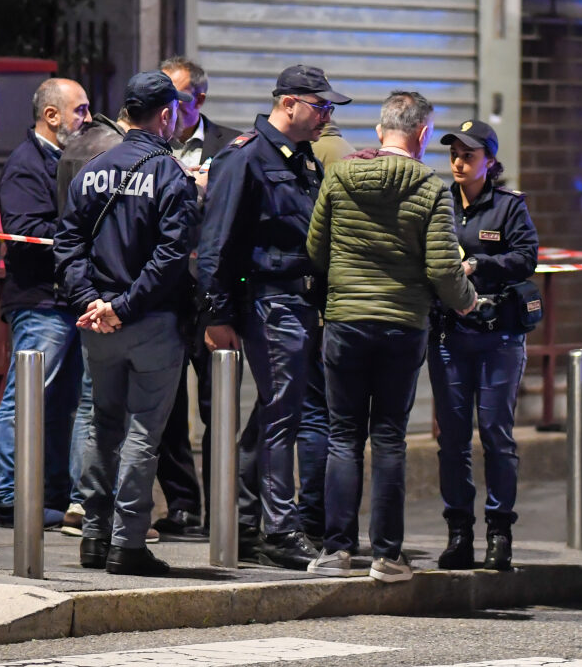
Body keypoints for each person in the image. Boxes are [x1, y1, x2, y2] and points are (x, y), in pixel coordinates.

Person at [304, 90, 477, 583]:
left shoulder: (339, 176)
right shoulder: (429, 186)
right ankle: (387, 557)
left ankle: (336, 552)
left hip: (345, 322)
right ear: (422, 135)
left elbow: (315, 248)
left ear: (381, 131)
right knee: (389, 439)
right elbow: (445, 269)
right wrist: (466, 301)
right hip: (403, 326)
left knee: (342, 436)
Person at [196, 64, 349, 569]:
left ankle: (242, 522)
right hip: (269, 302)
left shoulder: (304, 159)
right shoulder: (245, 158)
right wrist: (216, 312)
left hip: (299, 304)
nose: (326, 116)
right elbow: (216, 241)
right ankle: (280, 529)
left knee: (270, 417)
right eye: (320, 106)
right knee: (282, 417)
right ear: (289, 104)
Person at [53, 71, 200, 576]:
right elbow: (172, 255)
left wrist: (93, 300)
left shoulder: (91, 169)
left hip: (99, 326)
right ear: (165, 115)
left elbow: (67, 243)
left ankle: (94, 535)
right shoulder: (170, 174)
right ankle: (128, 543)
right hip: (150, 322)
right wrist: (126, 306)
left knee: (100, 425)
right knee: (141, 434)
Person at [427, 120, 538, 571]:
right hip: (450, 336)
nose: (458, 161)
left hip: (499, 338)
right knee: (451, 440)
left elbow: (527, 257)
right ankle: (458, 534)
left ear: (489, 162)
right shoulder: (439, 201)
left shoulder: (509, 206)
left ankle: (499, 534)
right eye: (454, 153)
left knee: (496, 435)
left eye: (469, 155)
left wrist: (477, 263)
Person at [0, 78, 90, 529]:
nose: (87, 119)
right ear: (51, 115)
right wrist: (79, 233)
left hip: (70, 300)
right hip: (40, 301)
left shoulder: (74, 159)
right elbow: (25, 232)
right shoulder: (25, 164)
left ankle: (54, 495)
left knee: (64, 402)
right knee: (25, 398)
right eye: (80, 110)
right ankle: (10, 497)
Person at [152, 56, 241, 538]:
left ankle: (223, 508)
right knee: (165, 407)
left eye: (177, 100)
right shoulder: (148, 144)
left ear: (199, 100)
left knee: (218, 405)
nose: (166, 109)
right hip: (163, 295)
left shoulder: (231, 148)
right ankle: (182, 506)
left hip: (214, 297)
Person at [54, 106, 129, 538]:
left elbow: (69, 235)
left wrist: (87, 297)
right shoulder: (117, 152)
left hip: (86, 295)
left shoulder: (76, 150)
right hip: (115, 302)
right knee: (108, 409)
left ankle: (83, 504)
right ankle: (103, 507)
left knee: (89, 405)